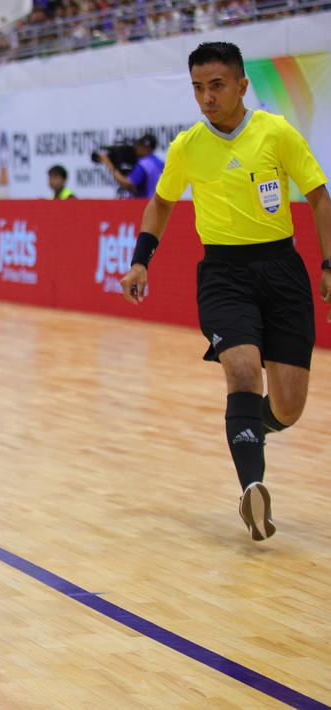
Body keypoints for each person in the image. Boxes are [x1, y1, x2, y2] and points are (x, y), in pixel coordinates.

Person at [119, 42, 331, 542]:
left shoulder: (276, 132)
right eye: (197, 87)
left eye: (216, 85)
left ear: (241, 85)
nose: (206, 97)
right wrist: (140, 262)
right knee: (240, 371)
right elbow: (162, 204)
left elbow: (319, 197)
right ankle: (252, 488)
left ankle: (250, 432)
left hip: (283, 270)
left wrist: (328, 262)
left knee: (289, 406)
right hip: (223, 275)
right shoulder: (187, 145)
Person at [101, 133, 164, 198]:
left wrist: (109, 164)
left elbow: (127, 184)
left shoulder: (144, 164)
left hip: (146, 203)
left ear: (146, 147)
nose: (136, 148)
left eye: (139, 145)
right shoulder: (160, 163)